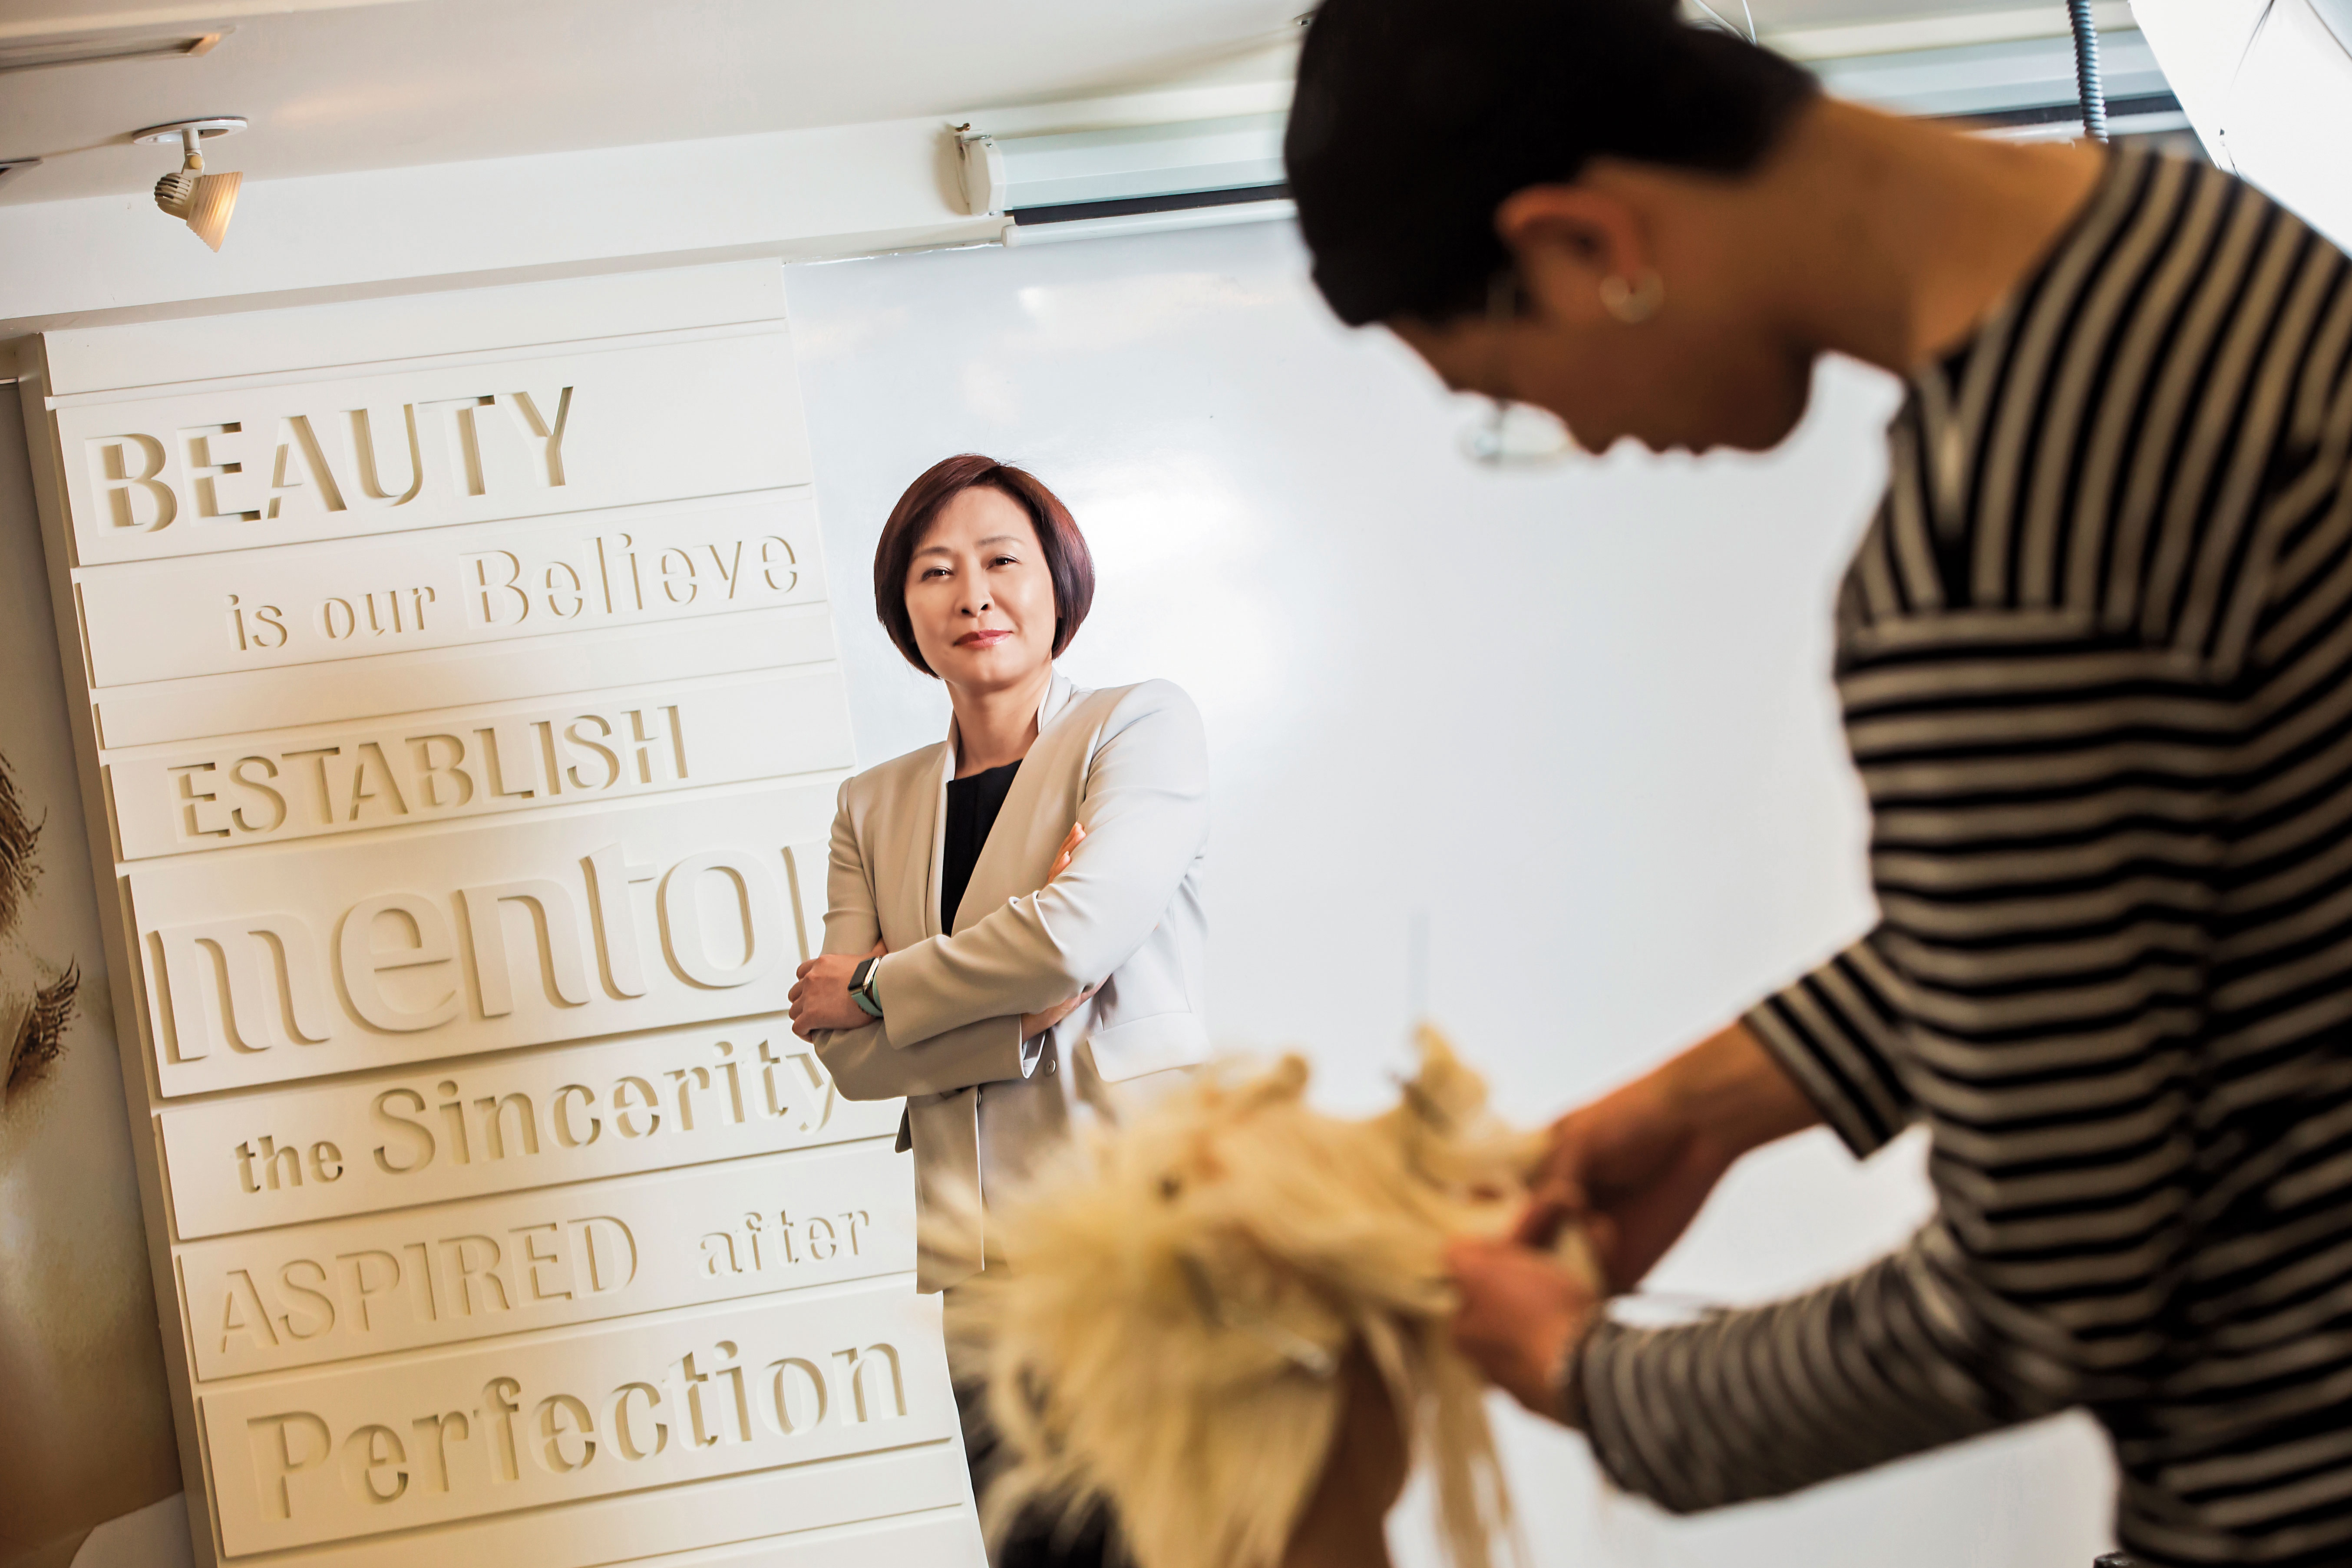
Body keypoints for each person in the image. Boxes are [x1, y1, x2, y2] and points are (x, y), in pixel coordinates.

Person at [1284, 2, 2352, 1565]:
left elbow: (2045, 1294)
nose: (1580, 435)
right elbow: (2174, 894)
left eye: (1513, 390)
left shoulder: (1985, 565)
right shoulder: (2198, 240)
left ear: (1582, 241)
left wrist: (1590, 1378)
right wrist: (1713, 1103)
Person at [786, 453, 1211, 1568]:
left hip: (1136, 1227)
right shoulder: (869, 804)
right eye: (935, 571)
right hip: (979, 1260)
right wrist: (1018, 1012)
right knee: (1038, 1554)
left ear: (1055, 582)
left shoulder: (1137, 727)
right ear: (905, 613)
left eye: (999, 560)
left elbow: (1073, 935)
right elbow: (847, 1061)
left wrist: (880, 986)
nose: (971, 593)